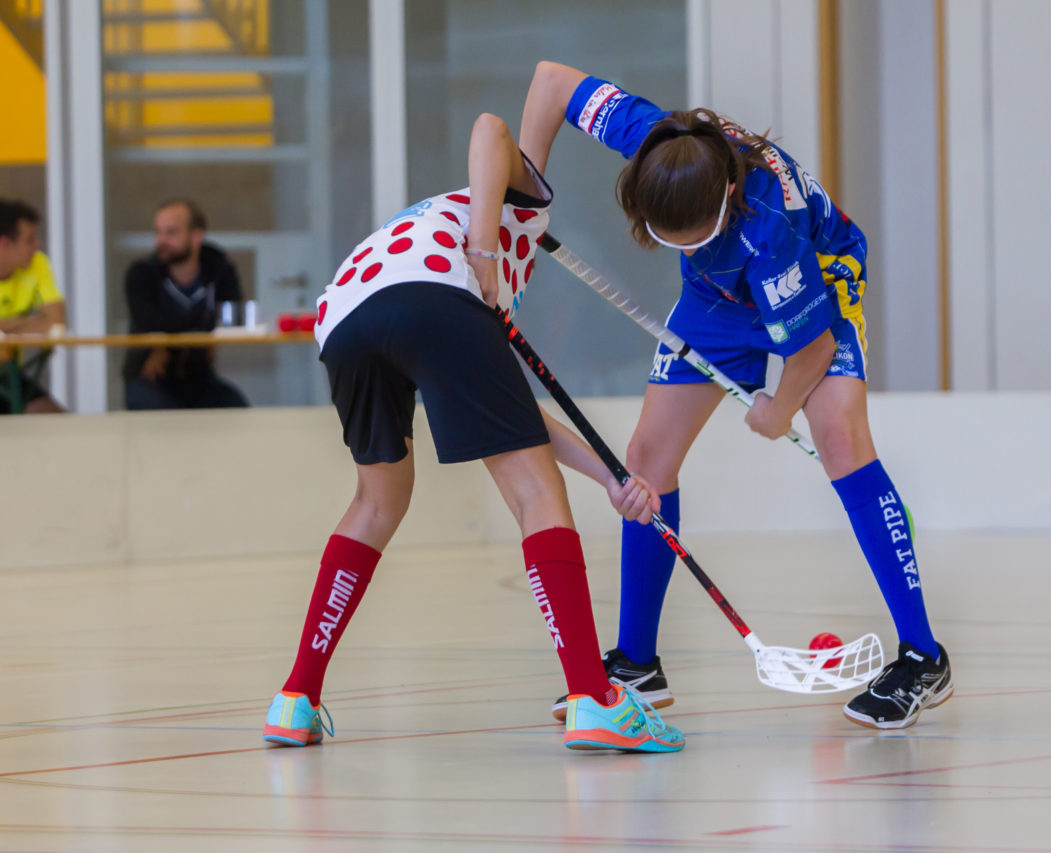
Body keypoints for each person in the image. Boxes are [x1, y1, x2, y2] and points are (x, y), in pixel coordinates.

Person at [521, 62, 953, 730]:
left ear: (724, 193)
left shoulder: (766, 228)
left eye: (693, 233)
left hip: (817, 280)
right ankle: (637, 660)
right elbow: (551, 82)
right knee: (646, 458)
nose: (679, 244)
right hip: (716, 297)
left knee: (839, 438)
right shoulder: (654, 137)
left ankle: (923, 655)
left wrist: (778, 408)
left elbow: (807, 349)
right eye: (671, 237)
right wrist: (527, 194)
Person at [261, 110, 684, 754]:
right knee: (535, 496)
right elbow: (489, 128)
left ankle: (296, 698)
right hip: (435, 297)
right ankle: (593, 698)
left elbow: (513, 418)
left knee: (378, 502)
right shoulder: (523, 209)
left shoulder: (449, 244)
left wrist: (611, 476)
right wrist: (484, 250)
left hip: (346, 318)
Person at [122, 199, 249, 410]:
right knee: (166, 420)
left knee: (238, 411)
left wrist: (169, 336)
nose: (161, 241)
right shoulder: (141, 273)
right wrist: (204, 321)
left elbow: (232, 318)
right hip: (150, 377)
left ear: (196, 236)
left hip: (199, 378)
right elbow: (149, 322)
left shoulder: (220, 269)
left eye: (171, 233)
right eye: (158, 232)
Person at [0, 199, 65, 414]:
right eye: (29, 240)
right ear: (4, 244)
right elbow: (45, 322)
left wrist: (4, 327)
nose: (36, 246)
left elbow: (56, 322)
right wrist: (33, 321)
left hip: (7, 373)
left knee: (54, 420)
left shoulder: (37, 263)